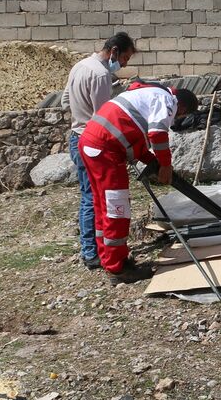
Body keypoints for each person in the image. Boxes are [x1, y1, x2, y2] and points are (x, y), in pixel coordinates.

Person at [79, 82, 197, 284]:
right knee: (117, 209)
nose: (177, 118)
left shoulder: (146, 94)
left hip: (93, 142)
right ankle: (119, 269)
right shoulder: (168, 100)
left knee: (103, 206)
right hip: (106, 149)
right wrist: (166, 165)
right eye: (181, 116)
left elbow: (135, 138)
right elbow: (158, 134)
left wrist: (153, 162)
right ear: (183, 108)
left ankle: (106, 257)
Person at [63, 32, 136, 269]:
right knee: (93, 197)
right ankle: (92, 251)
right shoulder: (101, 74)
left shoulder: (80, 66)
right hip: (92, 141)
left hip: (76, 135)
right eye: (124, 58)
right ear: (114, 51)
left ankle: (94, 248)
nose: (123, 64)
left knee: (90, 195)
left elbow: (65, 101)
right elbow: (104, 118)